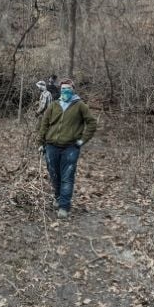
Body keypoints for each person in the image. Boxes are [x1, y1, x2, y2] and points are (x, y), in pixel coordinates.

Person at [38, 78, 97, 219]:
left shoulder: (80, 105)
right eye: (63, 89)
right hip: (51, 146)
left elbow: (92, 123)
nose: (65, 91)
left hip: (70, 148)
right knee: (54, 175)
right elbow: (44, 124)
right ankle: (58, 198)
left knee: (67, 177)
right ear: (60, 90)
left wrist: (82, 140)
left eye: (68, 89)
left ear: (73, 90)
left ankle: (64, 206)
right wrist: (41, 142)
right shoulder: (54, 105)